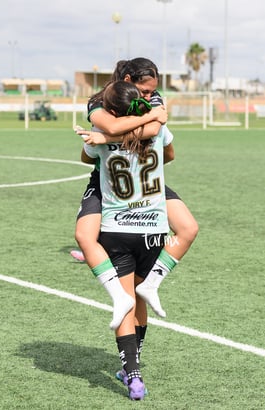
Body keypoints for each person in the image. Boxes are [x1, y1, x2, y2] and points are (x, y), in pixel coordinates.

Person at [74, 57, 198, 320]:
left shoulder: (153, 99)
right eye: (146, 92)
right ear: (128, 81)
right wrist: (108, 135)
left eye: (154, 92)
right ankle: (108, 269)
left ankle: (151, 283)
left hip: (143, 178)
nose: (151, 97)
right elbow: (110, 124)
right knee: (86, 235)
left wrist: (107, 138)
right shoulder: (99, 100)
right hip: (108, 179)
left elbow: (154, 127)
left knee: (187, 227)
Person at [81, 80, 174, 400]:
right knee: (140, 299)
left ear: (110, 111)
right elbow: (171, 153)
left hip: (117, 227)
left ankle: (133, 374)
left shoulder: (99, 140)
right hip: (155, 226)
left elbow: (85, 156)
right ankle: (133, 361)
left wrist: (107, 136)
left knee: (124, 302)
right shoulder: (158, 131)